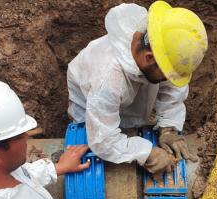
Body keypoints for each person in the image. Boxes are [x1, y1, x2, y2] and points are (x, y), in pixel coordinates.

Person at [67, 1, 207, 174]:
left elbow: (172, 89)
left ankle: (131, 133)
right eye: (167, 74)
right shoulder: (107, 79)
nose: (168, 80)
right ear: (149, 58)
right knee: (93, 138)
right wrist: (146, 153)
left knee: (138, 108)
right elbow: (103, 139)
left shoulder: (158, 44)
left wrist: (169, 127)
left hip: (122, 91)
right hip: (93, 104)